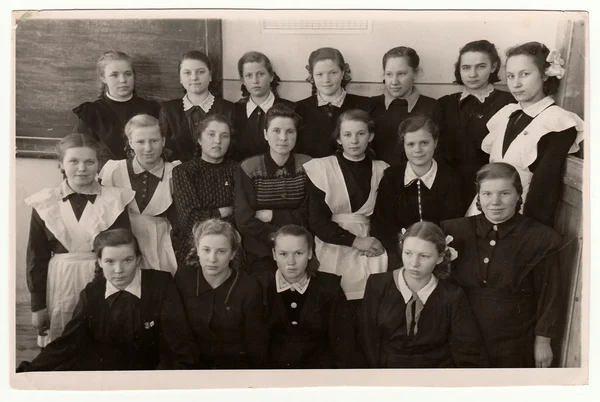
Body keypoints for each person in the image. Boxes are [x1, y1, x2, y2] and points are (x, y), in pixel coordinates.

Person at [17, 229, 199, 371]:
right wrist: (29, 371)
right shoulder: (91, 295)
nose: (118, 270)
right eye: (110, 262)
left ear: (138, 260)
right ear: (100, 262)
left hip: (152, 373)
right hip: (106, 376)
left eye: (127, 260)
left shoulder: (161, 284)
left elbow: (179, 343)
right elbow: (67, 344)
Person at [442, 162, 563, 368]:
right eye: (487, 194)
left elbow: (550, 293)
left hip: (514, 339)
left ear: (518, 194)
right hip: (462, 334)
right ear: (478, 196)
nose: (495, 202)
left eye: (504, 193)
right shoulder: (454, 230)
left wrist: (543, 340)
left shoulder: (541, 237)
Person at [25, 133, 134, 345]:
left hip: (104, 278)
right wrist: (37, 306)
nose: (82, 168)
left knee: (102, 342)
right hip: (60, 280)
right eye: (74, 161)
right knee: (63, 342)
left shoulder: (114, 200)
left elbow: (123, 251)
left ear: (98, 164)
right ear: (61, 165)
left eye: (89, 162)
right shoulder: (45, 203)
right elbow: (35, 257)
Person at [465, 42, 583, 226]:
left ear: (545, 74)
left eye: (525, 74)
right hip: (487, 207)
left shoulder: (558, 122)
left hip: (522, 214)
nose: (516, 83)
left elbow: (545, 187)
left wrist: (528, 232)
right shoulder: (507, 113)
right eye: (511, 76)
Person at [359, 221, 488, 368]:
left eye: (424, 256)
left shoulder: (452, 295)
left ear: (440, 258)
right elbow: (367, 340)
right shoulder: (378, 285)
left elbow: (468, 351)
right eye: (408, 253)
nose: (414, 263)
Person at [304, 109, 388, 307]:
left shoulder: (382, 169)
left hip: (372, 244)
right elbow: (317, 221)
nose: (354, 141)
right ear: (339, 139)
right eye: (347, 134)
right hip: (333, 244)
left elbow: (386, 217)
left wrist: (371, 242)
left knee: (371, 301)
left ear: (371, 136)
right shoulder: (321, 168)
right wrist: (355, 241)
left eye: (361, 134)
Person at [255, 225, 358, 368]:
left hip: (319, 372)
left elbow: (343, 342)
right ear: (274, 254)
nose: (291, 262)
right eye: (283, 254)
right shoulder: (260, 287)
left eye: (298, 253)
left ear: (310, 253)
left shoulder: (329, 287)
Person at [174, 219, 269, 369]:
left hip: (235, 369)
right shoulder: (184, 278)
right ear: (197, 249)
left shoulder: (248, 287)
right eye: (206, 250)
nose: (212, 259)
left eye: (221, 251)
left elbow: (256, 343)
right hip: (192, 367)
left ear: (232, 254)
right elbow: (177, 335)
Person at [371, 116, 463, 269]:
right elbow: (382, 223)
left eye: (424, 143)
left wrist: (436, 252)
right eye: (411, 144)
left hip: (439, 255)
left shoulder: (451, 178)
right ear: (403, 146)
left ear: (435, 142)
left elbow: (454, 223)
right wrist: (404, 252)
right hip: (400, 255)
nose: (417, 150)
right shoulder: (391, 177)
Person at [438, 40, 516, 211]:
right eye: (466, 68)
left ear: (494, 67)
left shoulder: (508, 102)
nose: (472, 74)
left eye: (480, 66)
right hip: (448, 188)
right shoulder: (444, 104)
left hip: (489, 188)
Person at [235, 104, 311, 275]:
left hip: (300, 250)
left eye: (290, 131)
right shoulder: (248, 167)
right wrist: (277, 239)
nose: (283, 138)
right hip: (260, 250)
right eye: (276, 131)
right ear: (265, 134)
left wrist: (273, 215)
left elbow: (309, 214)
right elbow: (244, 220)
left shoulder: (309, 165)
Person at [99, 114, 179, 275]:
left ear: (163, 141)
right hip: (122, 246)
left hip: (162, 245)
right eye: (140, 142)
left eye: (154, 141)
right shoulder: (113, 170)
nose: (148, 148)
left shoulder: (174, 172)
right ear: (130, 142)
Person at [72, 51, 161, 166]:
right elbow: (81, 155)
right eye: (115, 75)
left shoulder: (152, 109)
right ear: (103, 78)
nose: (123, 80)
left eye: (128, 74)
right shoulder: (92, 113)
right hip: (106, 179)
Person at [172, 114, 237, 266]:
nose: (217, 141)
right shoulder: (184, 172)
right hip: (193, 244)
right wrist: (223, 211)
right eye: (211, 134)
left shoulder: (238, 170)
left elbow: (241, 214)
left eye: (224, 136)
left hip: (230, 243)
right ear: (200, 139)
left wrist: (208, 213)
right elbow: (189, 221)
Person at [368, 46, 442, 166]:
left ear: (415, 74)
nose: (394, 81)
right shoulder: (372, 105)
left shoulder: (431, 106)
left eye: (401, 74)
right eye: (389, 74)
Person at [159, 50, 235, 162]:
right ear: (180, 78)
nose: (194, 78)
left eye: (200, 72)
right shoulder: (168, 110)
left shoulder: (228, 109)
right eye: (187, 73)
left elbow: (233, 149)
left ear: (210, 76)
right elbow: (163, 148)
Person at [295, 47, 370, 158]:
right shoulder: (299, 109)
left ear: (342, 73)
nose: (326, 80)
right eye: (319, 74)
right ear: (312, 76)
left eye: (333, 73)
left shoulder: (364, 105)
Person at [233, 51, 296, 161]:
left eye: (260, 74)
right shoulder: (234, 110)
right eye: (249, 75)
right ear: (243, 80)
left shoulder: (291, 109)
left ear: (271, 76)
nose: (255, 81)